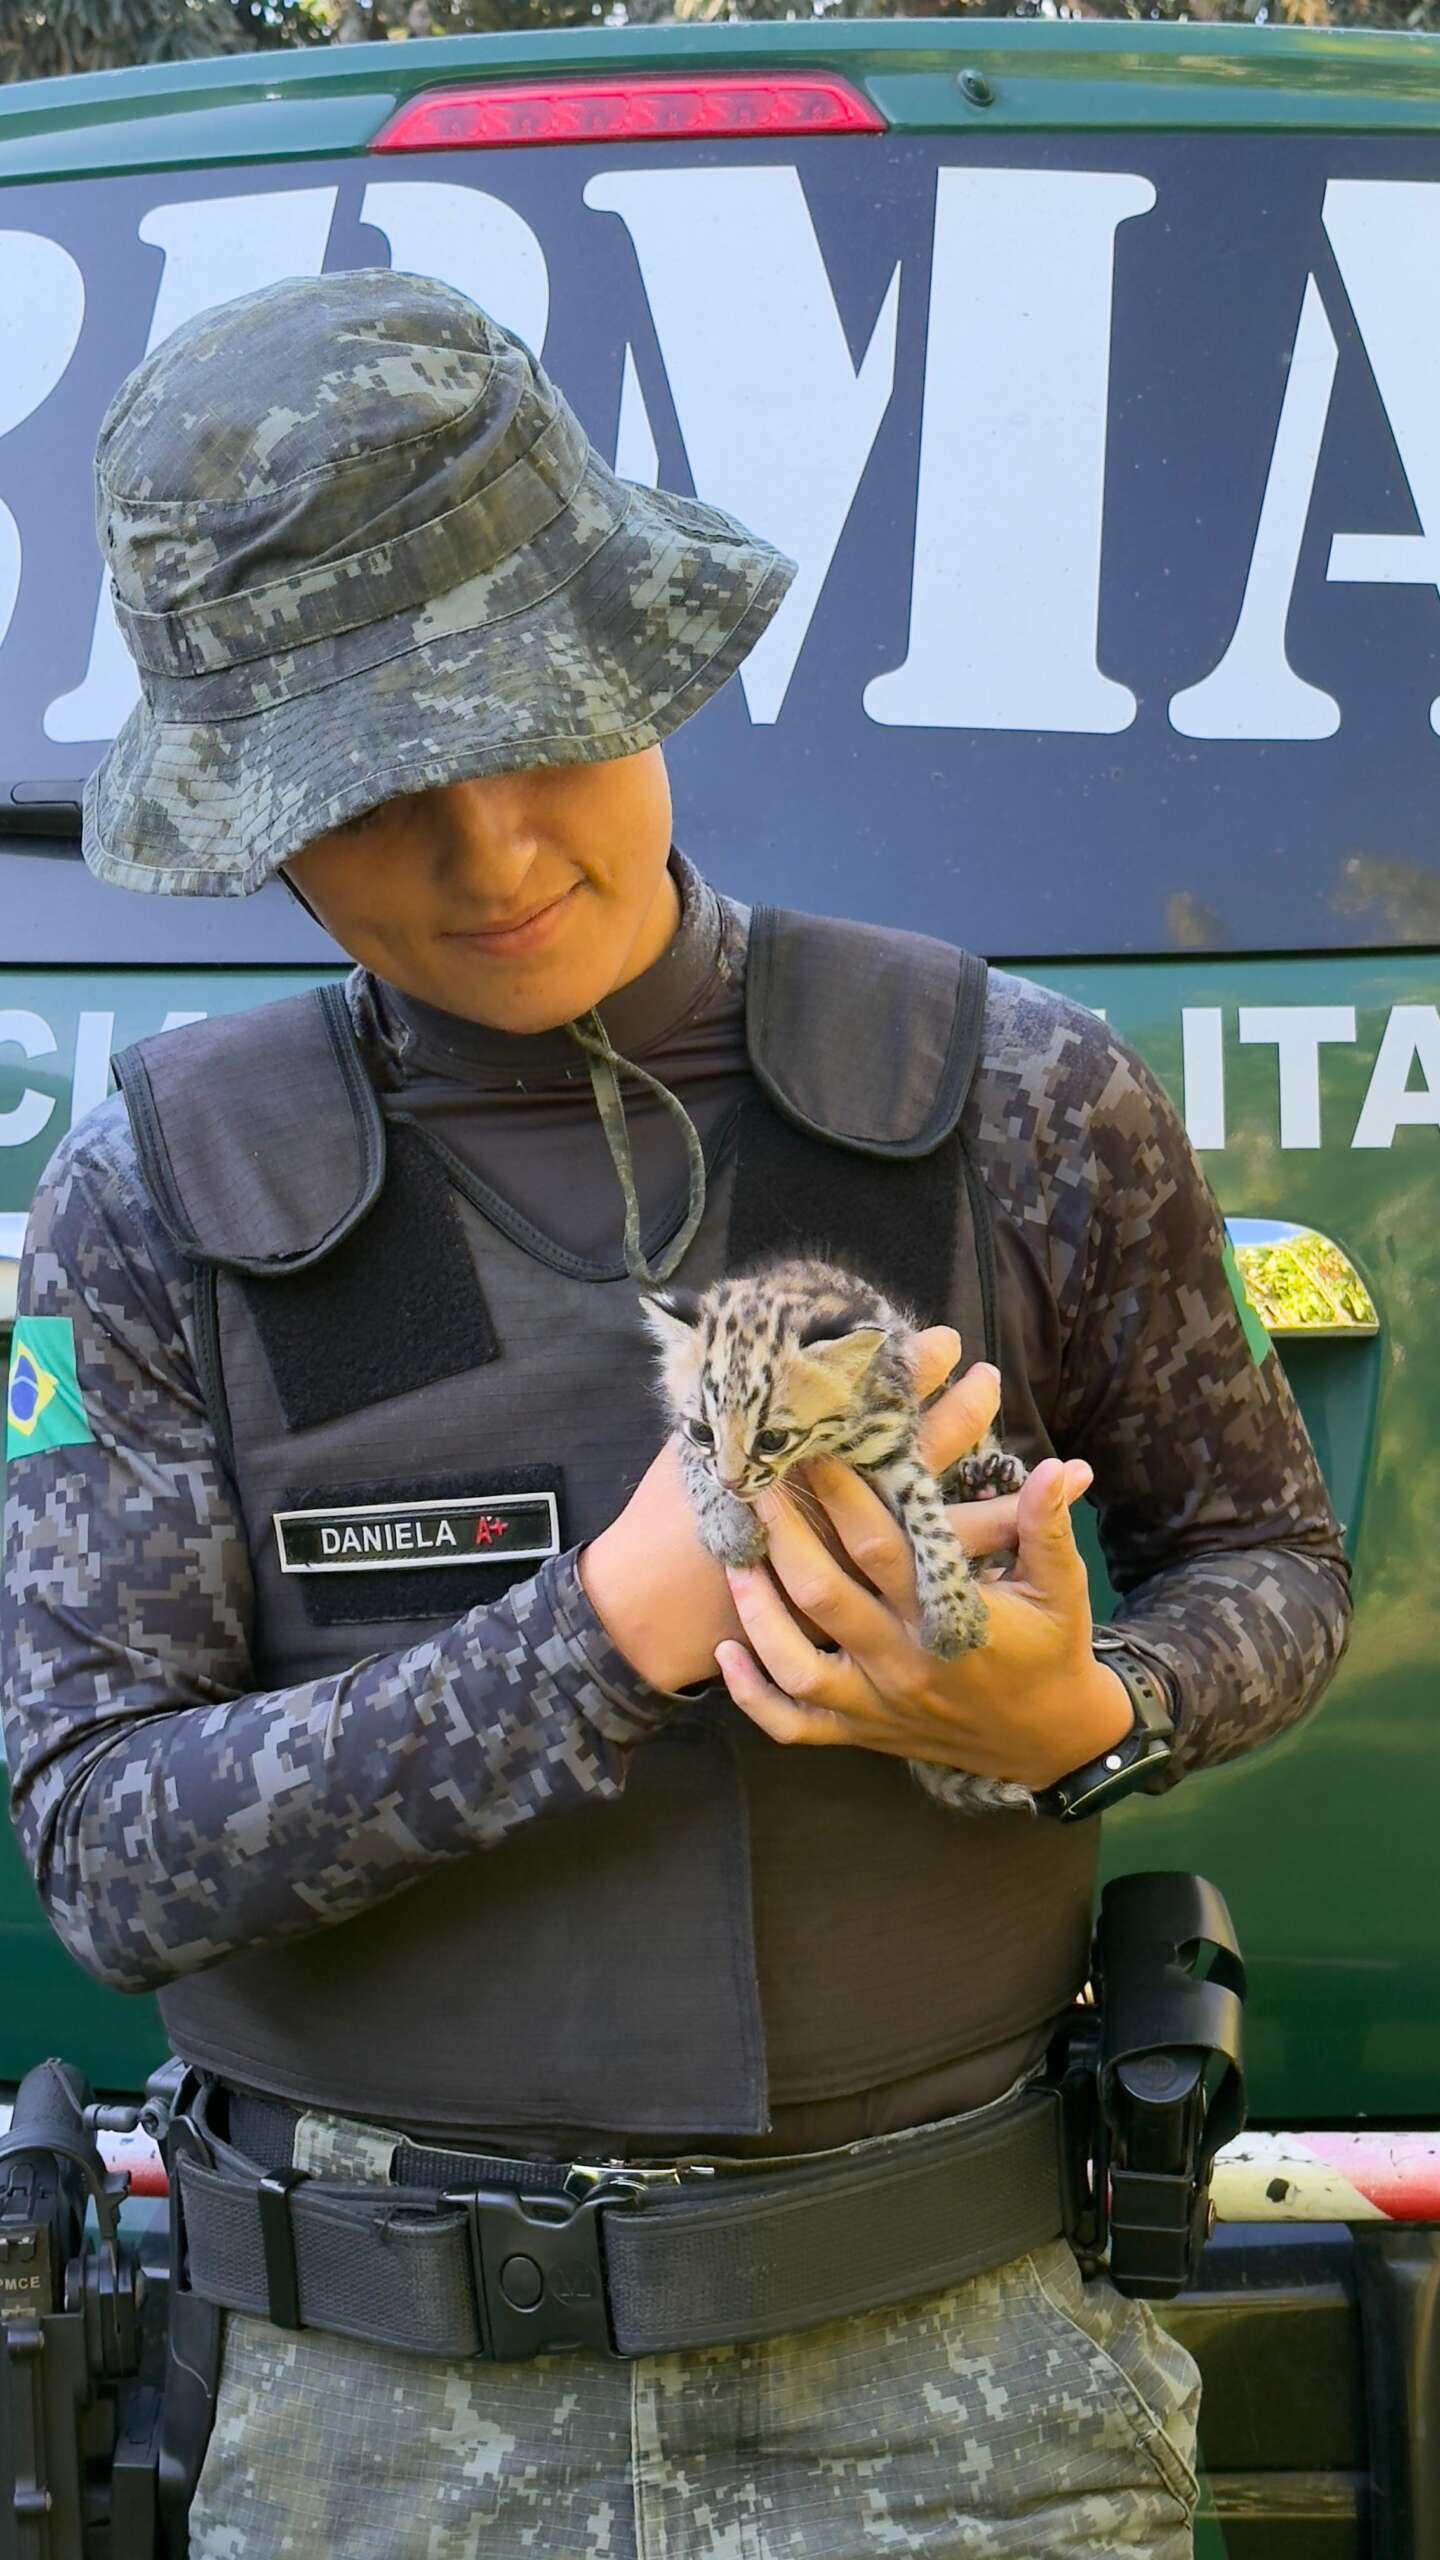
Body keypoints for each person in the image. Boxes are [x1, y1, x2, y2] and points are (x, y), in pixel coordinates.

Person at [1, 269, 1351, 2560]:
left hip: (960, 2387)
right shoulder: (166, 1186)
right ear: (259, 817)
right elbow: (109, 1850)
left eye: (547, 729)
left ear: (642, 662)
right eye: (375, 796)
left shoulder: (1016, 1095)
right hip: (371, 2417)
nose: (497, 854)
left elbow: (1275, 1566)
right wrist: (599, 1634)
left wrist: (1083, 1711)